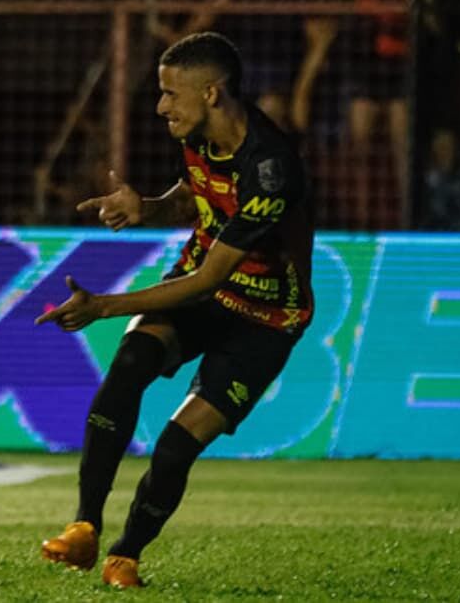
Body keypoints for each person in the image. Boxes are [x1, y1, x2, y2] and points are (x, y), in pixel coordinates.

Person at [35, 32, 314, 588]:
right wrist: (152, 204)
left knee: (176, 443)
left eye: (170, 93)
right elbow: (200, 191)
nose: (161, 106)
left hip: (264, 318)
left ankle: (125, 555)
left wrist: (104, 306)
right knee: (132, 361)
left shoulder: (270, 168)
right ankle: (84, 527)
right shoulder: (202, 135)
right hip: (206, 288)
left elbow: (207, 280)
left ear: (212, 93)